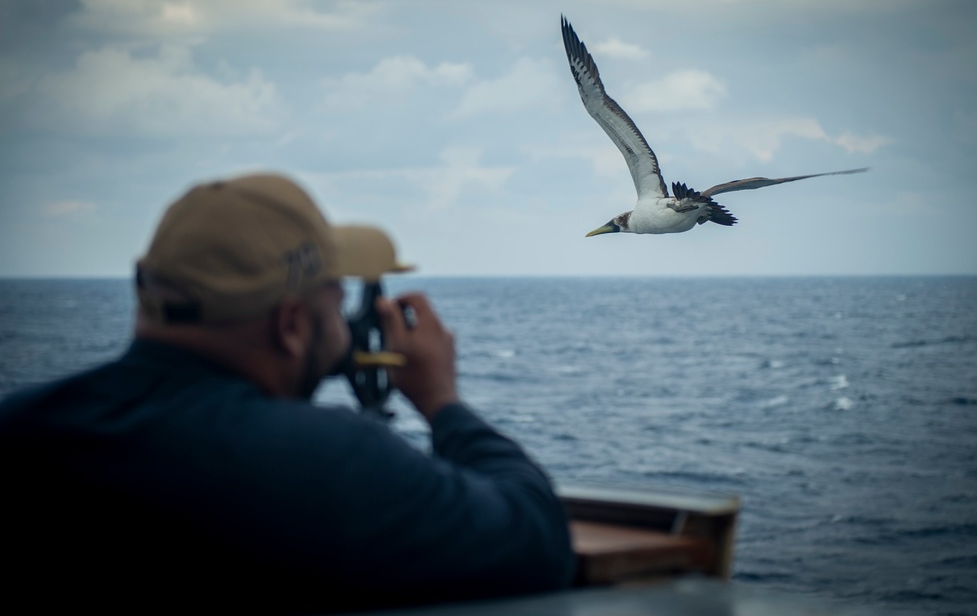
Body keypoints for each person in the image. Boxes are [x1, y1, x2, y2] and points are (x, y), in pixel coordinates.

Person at [0, 173, 575, 613]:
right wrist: (443, 403)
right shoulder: (331, 465)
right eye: (335, 298)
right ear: (292, 325)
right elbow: (536, 540)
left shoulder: (21, 429)